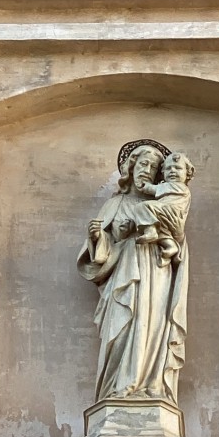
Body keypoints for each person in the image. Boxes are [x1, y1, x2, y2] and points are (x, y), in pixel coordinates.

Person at [77, 141, 189, 405]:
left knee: (152, 325)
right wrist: (97, 237)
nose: (147, 170)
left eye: (153, 167)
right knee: (123, 327)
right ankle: (118, 386)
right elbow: (100, 254)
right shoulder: (116, 203)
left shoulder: (166, 201)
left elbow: (179, 247)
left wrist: (178, 237)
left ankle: (152, 385)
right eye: (143, 164)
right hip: (125, 270)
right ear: (131, 167)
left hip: (157, 269)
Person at [129, 151, 194, 267]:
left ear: (188, 173)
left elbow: (154, 189)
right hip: (166, 216)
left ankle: (150, 231)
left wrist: (145, 186)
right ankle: (170, 245)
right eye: (169, 168)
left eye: (178, 168)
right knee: (162, 229)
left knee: (142, 207)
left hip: (170, 212)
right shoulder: (172, 187)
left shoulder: (178, 186)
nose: (172, 171)